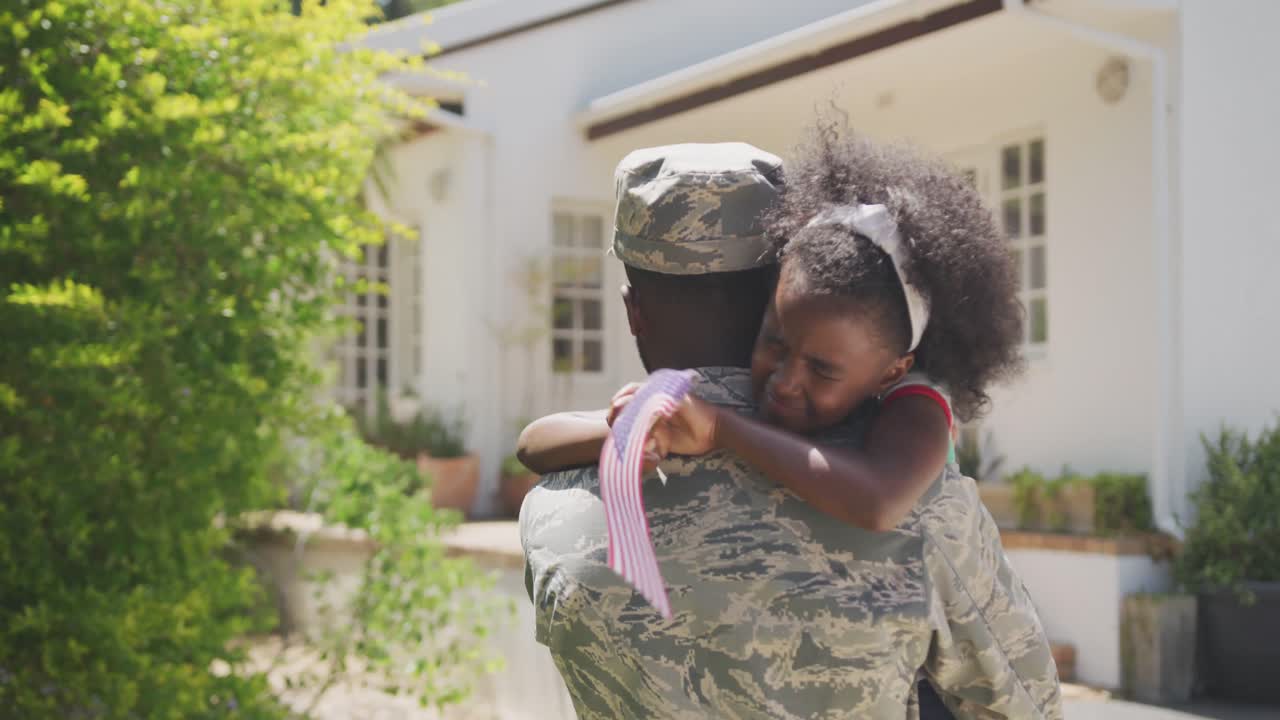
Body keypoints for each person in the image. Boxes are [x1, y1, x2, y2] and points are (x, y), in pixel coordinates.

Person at [519, 139, 1061, 718]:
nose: (788, 382)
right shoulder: (923, 504)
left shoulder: (553, 512)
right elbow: (1025, 705)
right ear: (782, 285)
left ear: (633, 313)